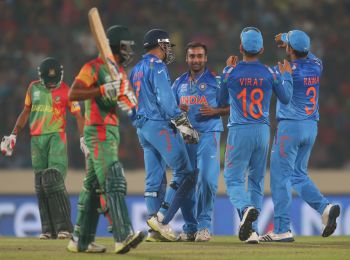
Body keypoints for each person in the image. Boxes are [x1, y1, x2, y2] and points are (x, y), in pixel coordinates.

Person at [66, 25, 144, 254]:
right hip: (96, 131)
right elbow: (73, 94)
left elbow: (130, 106)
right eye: (127, 47)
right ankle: (123, 236)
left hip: (111, 132)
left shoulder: (119, 72)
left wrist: (128, 105)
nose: (130, 51)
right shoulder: (92, 68)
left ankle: (80, 239)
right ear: (117, 46)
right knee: (114, 178)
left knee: (92, 188)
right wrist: (101, 90)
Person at [259, 30, 341, 242]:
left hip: (290, 129)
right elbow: (305, 52)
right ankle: (325, 208)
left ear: (290, 50)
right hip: (311, 127)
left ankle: (282, 229)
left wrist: (283, 73)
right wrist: (288, 40)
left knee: (280, 178)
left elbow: (277, 89)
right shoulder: (317, 65)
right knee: (298, 175)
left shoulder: (286, 71)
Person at [219, 27, 293, 244]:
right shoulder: (270, 73)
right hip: (262, 131)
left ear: (240, 47)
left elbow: (221, 100)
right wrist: (286, 75)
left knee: (232, 178)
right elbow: (286, 98)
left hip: (240, 130)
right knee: (256, 180)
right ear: (261, 49)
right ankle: (251, 231)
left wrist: (225, 72)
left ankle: (245, 209)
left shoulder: (230, 73)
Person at [0, 57, 87, 240]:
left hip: (57, 137)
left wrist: (83, 138)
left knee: (53, 179)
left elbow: (79, 116)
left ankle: (64, 228)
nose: (51, 86)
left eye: (54, 82)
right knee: (40, 184)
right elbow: (26, 111)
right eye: (48, 82)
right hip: (36, 140)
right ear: (40, 77)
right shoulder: (33, 88)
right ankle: (48, 229)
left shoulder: (67, 90)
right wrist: (14, 134)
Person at [129, 28, 199, 242]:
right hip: (159, 125)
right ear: (160, 45)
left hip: (142, 127)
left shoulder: (136, 69)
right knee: (185, 171)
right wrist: (182, 122)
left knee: (154, 179)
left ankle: (153, 230)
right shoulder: (157, 66)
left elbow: (131, 102)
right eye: (167, 45)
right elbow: (166, 99)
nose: (168, 50)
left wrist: (139, 122)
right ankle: (161, 220)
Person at [172, 42, 229, 242]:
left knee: (206, 178)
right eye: (192, 56)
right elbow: (170, 112)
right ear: (187, 59)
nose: (196, 60)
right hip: (186, 136)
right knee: (187, 183)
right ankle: (189, 227)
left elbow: (232, 107)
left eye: (199, 56)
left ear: (205, 58)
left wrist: (215, 111)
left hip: (209, 134)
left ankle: (204, 226)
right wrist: (178, 112)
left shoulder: (217, 81)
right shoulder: (178, 83)